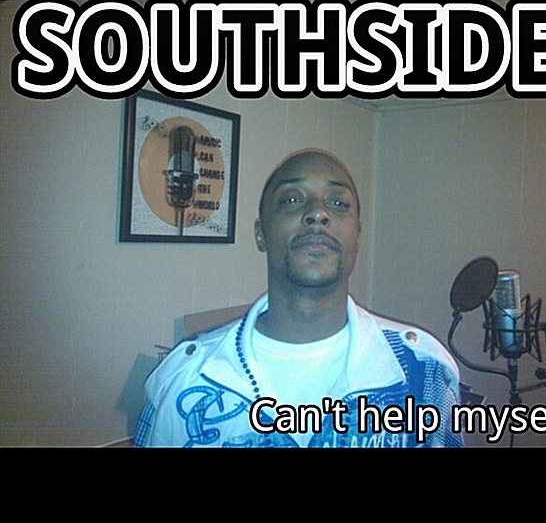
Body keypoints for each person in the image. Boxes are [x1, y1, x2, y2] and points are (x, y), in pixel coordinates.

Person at [134, 148, 464, 447]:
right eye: (292, 199)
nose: (318, 213)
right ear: (261, 234)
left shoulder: (424, 371)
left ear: (358, 236)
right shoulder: (185, 376)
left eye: (338, 202)